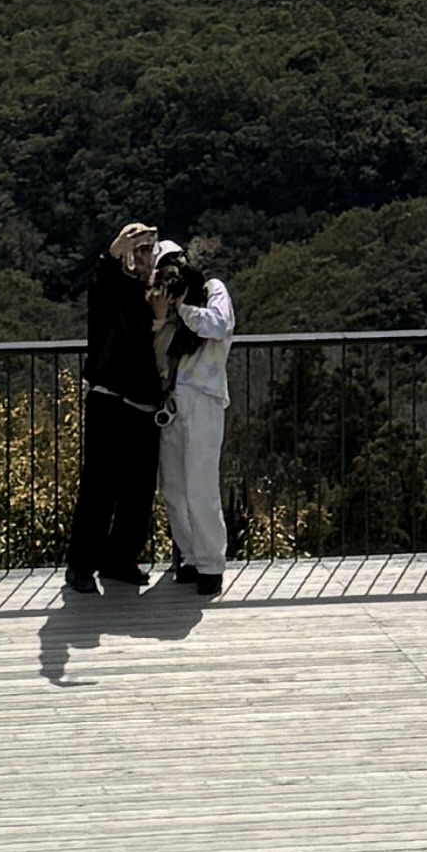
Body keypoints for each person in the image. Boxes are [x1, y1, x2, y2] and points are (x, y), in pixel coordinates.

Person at [64, 218, 164, 593]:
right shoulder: (110, 289)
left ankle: (120, 558)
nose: (143, 256)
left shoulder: (155, 293)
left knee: (139, 490)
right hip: (109, 399)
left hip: (145, 404)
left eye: (147, 249)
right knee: (99, 487)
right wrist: (116, 248)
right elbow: (103, 273)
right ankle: (81, 565)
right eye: (137, 250)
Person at [156, 241, 235, 591]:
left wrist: (182, 306)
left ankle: (211, 563)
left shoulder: (211, 290)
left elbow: (218, 325)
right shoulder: (162, 303)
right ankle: (189, 555)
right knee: (174, 486)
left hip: (204, 396)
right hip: (172, 401)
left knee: (201, 484)